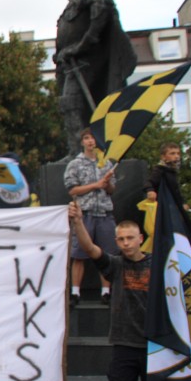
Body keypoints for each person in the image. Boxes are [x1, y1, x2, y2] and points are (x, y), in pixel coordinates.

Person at [68, 201, 166, 381]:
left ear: (141, 238)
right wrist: (78, 222)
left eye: (130, 238)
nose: (125, 243)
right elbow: (89, 249)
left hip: (155, 345)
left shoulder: (159, 267)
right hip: (123, 343)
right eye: (120, 239)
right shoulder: (115, 265)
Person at [54, 0, 136, 157]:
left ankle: (80, 151)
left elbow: (102, 6)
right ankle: (78, 150)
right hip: (70, 63)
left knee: (71, 102)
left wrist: (82, 46)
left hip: (87, 61)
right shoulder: (73, 0)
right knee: (71, 105)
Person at [64, 128, 116, 307]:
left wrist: (107, 184)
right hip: (84, 214)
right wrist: (96, 185)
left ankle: (106, 292)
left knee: (107, 254)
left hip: (104, 213)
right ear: (82, 142)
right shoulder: (75, 164)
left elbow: (111, 190)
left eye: (93, 138)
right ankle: (75, 293)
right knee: (79, 255)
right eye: (86, 138)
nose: (90, 141)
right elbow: (72, 189)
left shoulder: (106, 163)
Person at [145, 142, 188, 209]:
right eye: (172, 153)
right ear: (163, 156)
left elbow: (175, 192)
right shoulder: (160, 169)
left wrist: (182, 203)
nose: (176, 156)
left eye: (178, 153)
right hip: (163, 210)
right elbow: (149, 183)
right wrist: (150, 191)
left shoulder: (172, 172)